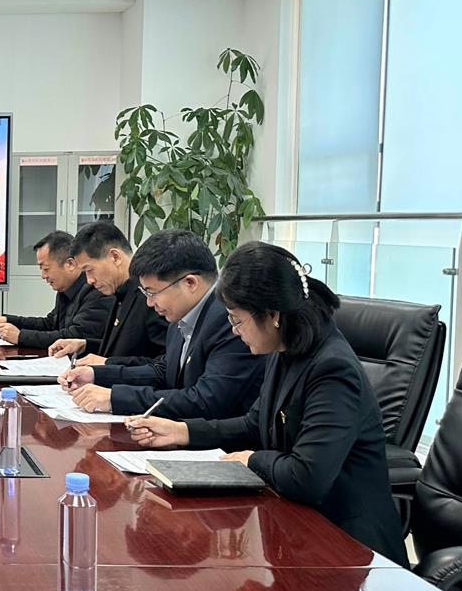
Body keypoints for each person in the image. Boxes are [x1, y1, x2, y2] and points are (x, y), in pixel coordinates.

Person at [127, 241, 407, 565]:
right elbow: (254, 424)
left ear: (272, 315)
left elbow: (306, 478)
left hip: (349, 549)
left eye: (237, 320)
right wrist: (182, 432)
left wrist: (251, 459)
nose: (234, 331)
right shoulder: (285, 347)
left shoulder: (332, 369)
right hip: (297, 530)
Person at [59, 229, 262, 417]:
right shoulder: (181, 314)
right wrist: (96, 374)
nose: (149, 302)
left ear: (190, 283)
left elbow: (206, 400)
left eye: (153, 292)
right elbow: (164, 371)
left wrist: (115, 399)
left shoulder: (228, 320)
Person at [48, 221, 167, 365]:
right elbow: (123, 349)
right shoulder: (119, 291)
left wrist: (108, 363)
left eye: (89, 270)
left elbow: (166, 364)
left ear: (115, 257)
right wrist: (85, 345)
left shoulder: (150, 296)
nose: (89, 280)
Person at [0, 230, 112, 348]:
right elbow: (49, 324)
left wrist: (20, 336)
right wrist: (6, 320)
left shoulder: (96, 291)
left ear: (70, 264)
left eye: (46, 269)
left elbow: (75, 337)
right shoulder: (66, 289)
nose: (43, 276)